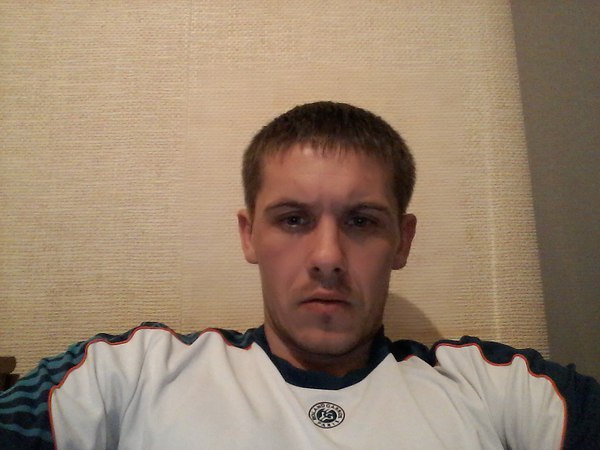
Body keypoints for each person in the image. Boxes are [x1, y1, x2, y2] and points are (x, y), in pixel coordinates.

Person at [0, 102, 598, 449]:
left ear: (403, 240)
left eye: (362, 221)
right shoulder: (130, 374)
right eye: (293, 219)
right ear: (248, 235)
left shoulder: (498, 389)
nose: (327, 256)